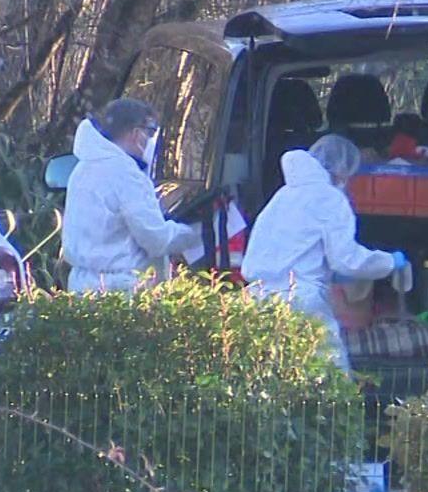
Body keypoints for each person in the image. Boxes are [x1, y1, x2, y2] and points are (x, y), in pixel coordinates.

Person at [242, 134, 410, 370]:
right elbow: (347, 260)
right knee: (330, 378)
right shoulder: (330, 199)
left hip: (259, 299)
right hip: (301, 300)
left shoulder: (282, 197)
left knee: (269, 376)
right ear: (342, 171)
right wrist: (389, 262)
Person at [61, 97, 201, 292]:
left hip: (80, 285)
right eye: (151, 132)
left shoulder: (82, 169)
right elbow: (156, 239)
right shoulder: (126, 174)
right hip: (122, 290)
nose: (151, 140)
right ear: (137, 134)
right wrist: (193, 233)